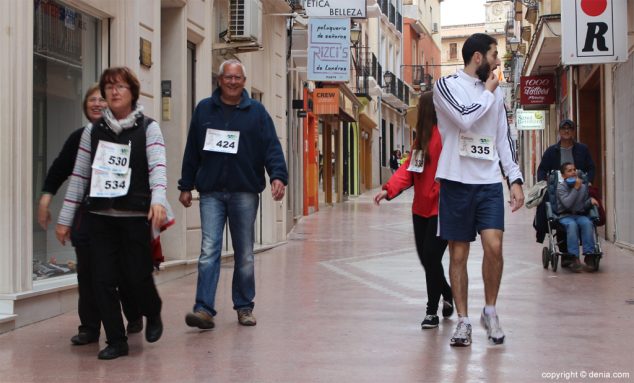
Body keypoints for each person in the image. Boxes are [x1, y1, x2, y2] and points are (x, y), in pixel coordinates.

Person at [56, 67, 167, 360]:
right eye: (108, 87)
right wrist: (65, 219)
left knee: (137, 277)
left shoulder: (149, 128)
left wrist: (158, 201)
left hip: (134, 217)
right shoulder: (92, 132)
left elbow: (158, 168)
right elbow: (79, 177)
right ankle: (116, 341)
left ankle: (152, 312)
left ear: (132, 92)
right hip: (100, 217)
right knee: (101, 280)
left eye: (120, 86)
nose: (113, 91)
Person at [179, 59, 288, 330]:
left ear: (244, 81)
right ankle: (203, 309)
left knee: (245, 253)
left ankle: (244, 306)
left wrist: (278, 176)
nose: (232, 82)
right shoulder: (205, 109)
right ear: (219, 80)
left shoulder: (257, 112)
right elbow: (192, 149)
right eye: (228, 77)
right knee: (209, 250)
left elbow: (271, 147)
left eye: (237, 78)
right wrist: (185, 184)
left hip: (245, 192)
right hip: (211, 192)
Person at [433, 33, 525, 347]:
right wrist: (487, 91)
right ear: (477, 58)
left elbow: (504, 138)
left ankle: (490, 310)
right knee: (458, 253)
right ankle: (463, 321)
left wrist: (514, 179)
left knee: (494, 247)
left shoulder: (496, 95)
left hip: (487, 183)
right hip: (456, 181)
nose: (498, 62)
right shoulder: (446, 86)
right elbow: (465, 120)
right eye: (494, 55)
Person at [38, 84, 142, 347]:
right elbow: (60, 168)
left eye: (102, 99)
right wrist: (46, 197)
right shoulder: (80, 137)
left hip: (123, 215)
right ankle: (89, 327)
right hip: (87, 214)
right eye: (92, 100)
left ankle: (133, 313)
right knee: (87, 272)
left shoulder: (131, 135)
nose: (97, 103)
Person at [374, 91, 453, 329]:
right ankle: (447, 293)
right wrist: (389, 189)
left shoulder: (448, 135)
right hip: (420, 209)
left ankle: (432, 311)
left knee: (430, 256)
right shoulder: (422, 138)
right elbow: (410, 169)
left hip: (442, 208)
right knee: (426, 259)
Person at [534, 119, 597, 245]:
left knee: (590, 208)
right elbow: (541, 170)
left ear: (574, 131)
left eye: (570, 129)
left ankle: (588, 248)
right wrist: (545, 184)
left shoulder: (582, 149)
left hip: (578, 188)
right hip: (558, 190)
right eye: (564, 128)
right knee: (547, 206)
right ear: (559, 131)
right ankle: (547, 234)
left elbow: (591, 168)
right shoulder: (551, 151)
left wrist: (588, 181)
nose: (566, 131)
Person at [556, 162, 599, 272]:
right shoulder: (561, 188)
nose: (573, 172)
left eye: (574, 170)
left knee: (587, 223)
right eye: (569, 170)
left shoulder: (583, 187)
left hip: (579, 214)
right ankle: (573, 257)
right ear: (563, 175)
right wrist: (575, 188)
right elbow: (568, 204)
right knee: (572, 225)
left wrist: (590, 202)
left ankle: (589, 255)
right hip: (565, 216)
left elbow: (583, 205)